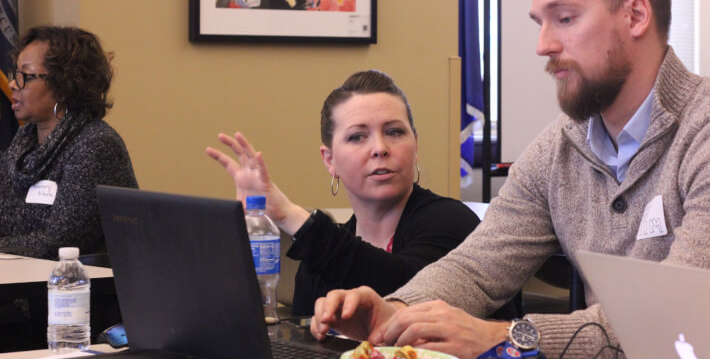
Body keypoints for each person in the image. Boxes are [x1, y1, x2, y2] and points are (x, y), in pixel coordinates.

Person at [311, 0, 710, 359]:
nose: (543, 44)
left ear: (635, 16)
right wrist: (394, 312)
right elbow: (477, 267)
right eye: (539, 23)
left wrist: (507, 337)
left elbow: (680, 319)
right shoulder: (557, 149)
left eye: (564, 18)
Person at [207, 70, 520, 318]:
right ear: (330, 160)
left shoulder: (449, 221)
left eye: (394, 132)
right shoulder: (325, 257)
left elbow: (406, 289)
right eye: (358, 136)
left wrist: (289, 215)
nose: (380, 149)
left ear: (415, 145)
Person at [0, 26, 138, 259]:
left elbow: (59, 244)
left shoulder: (95, 145)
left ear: (63, 85)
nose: (14, 84)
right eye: (16, 75)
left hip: (78, 290)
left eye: (26, 75)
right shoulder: (21, 148)